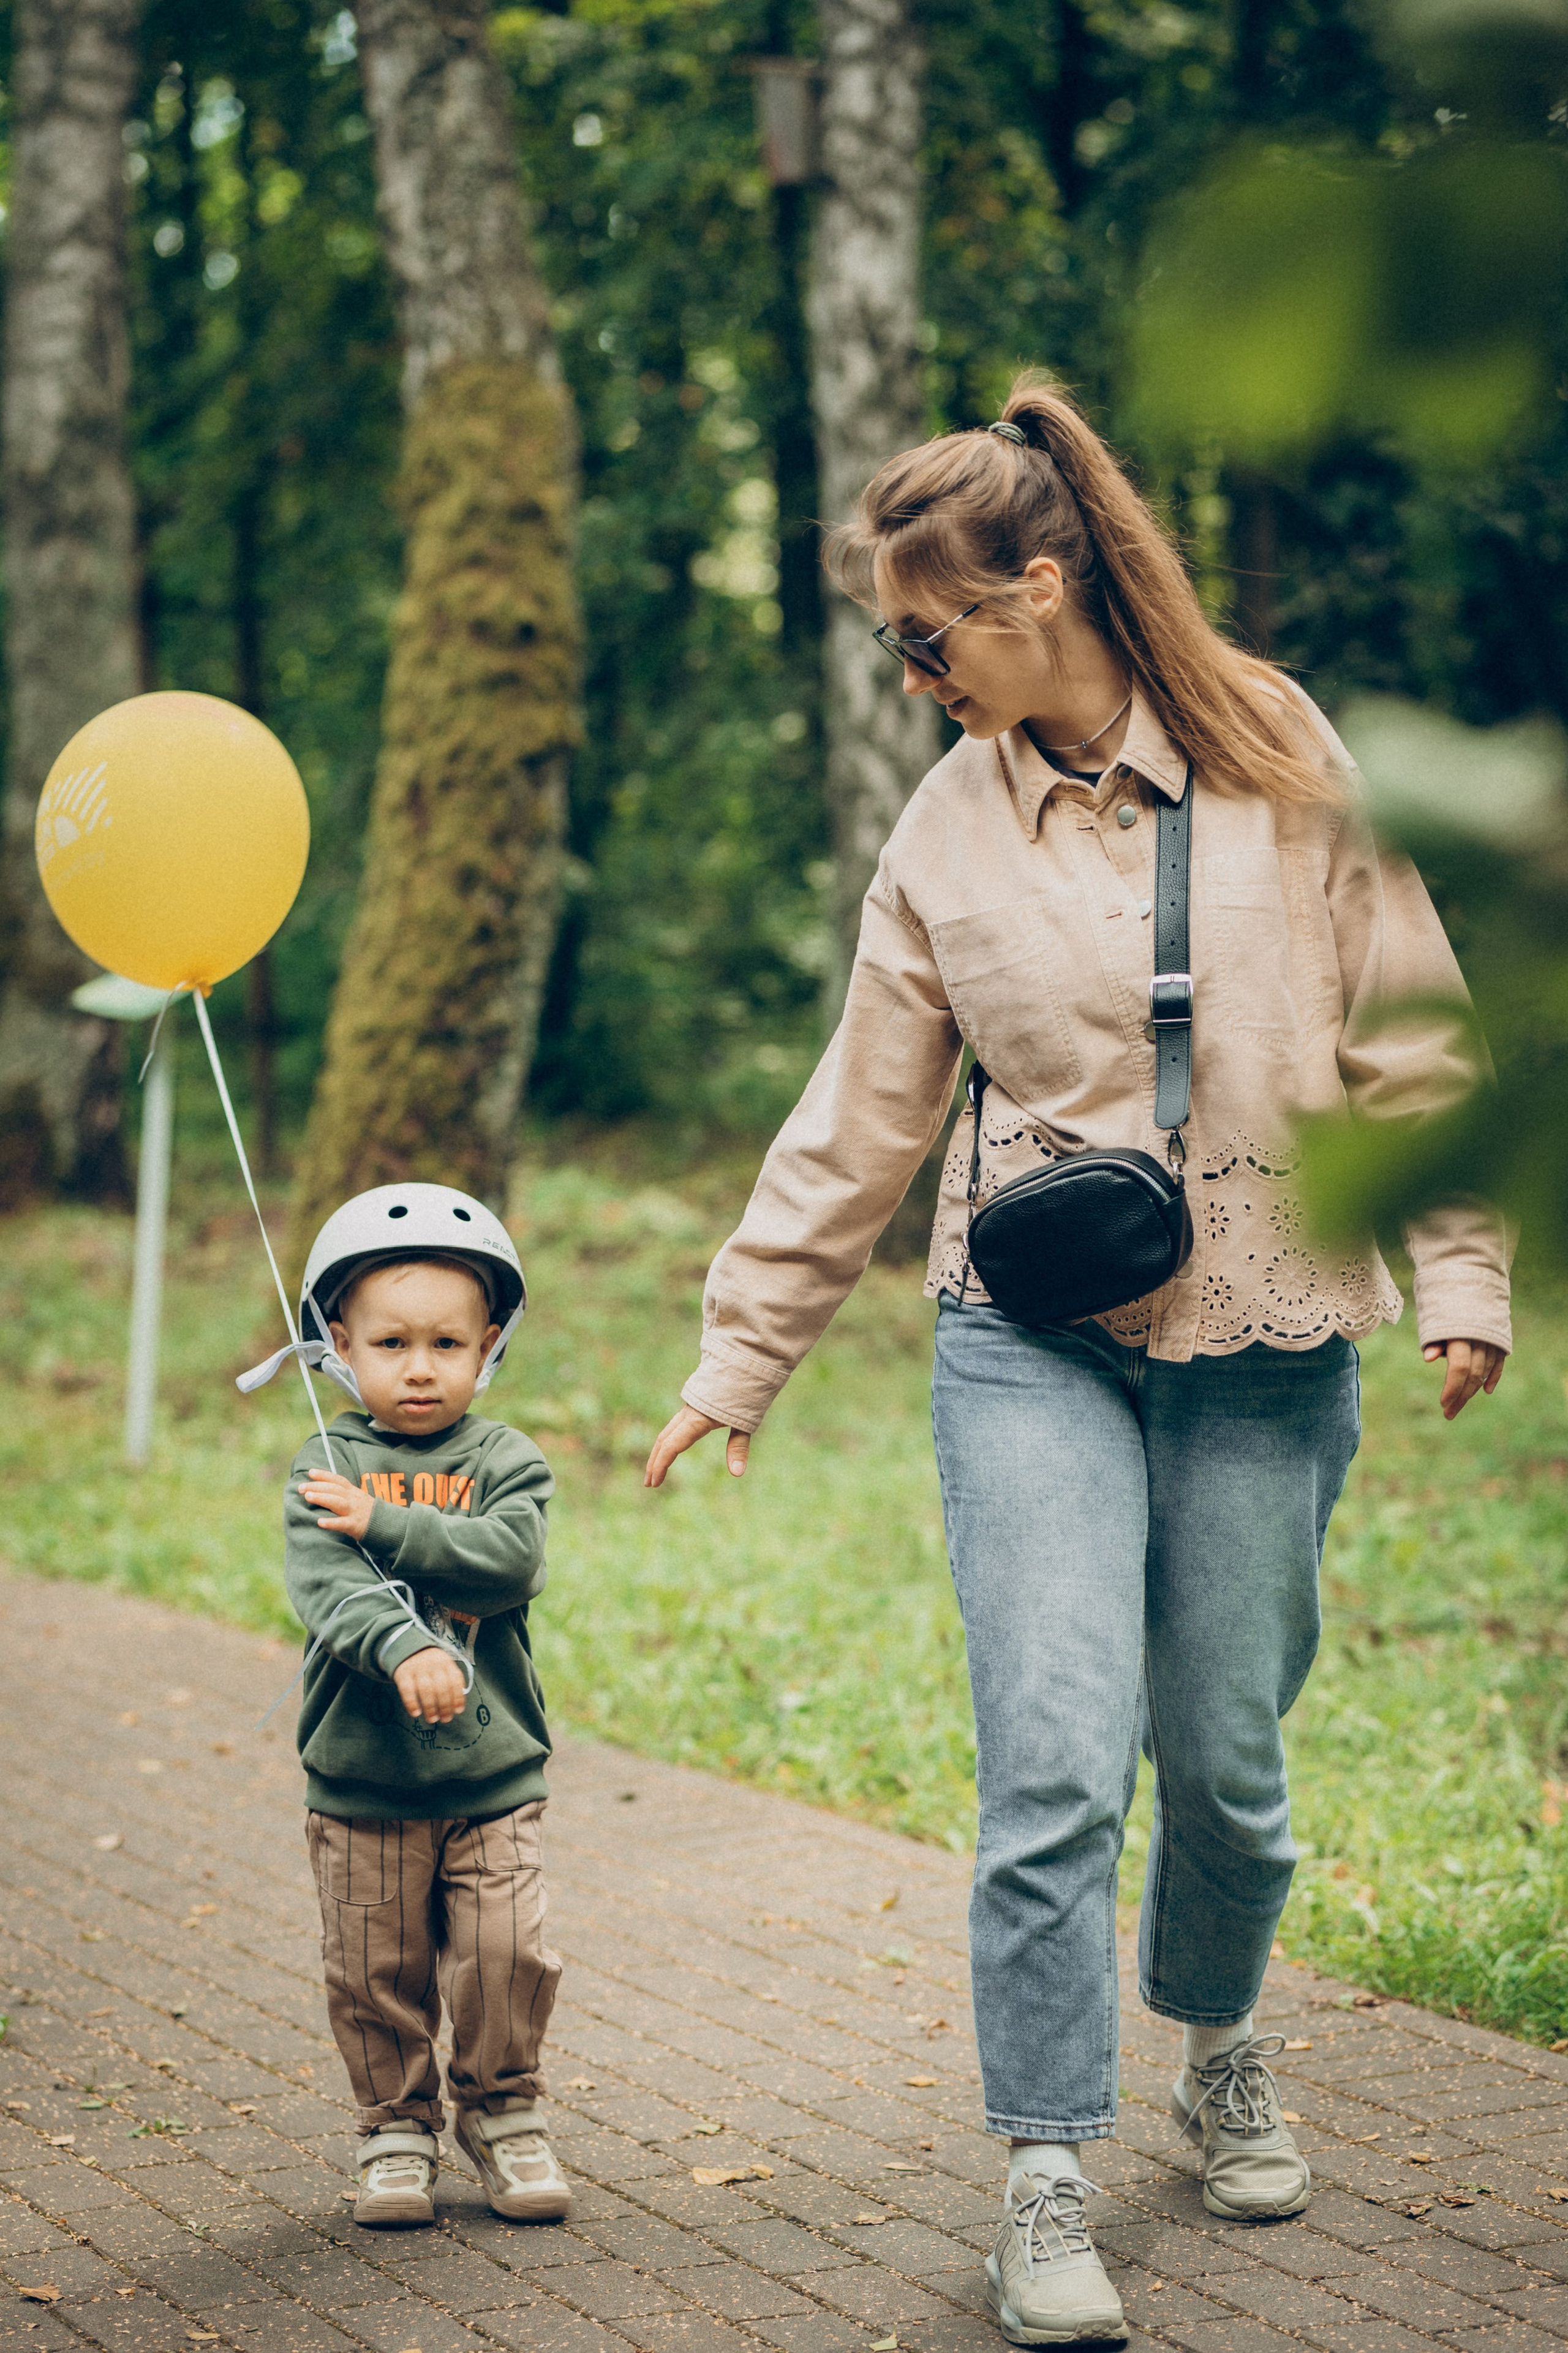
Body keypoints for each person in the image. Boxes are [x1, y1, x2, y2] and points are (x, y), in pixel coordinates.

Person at [644, 377, 1510, 2345]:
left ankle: (1215, 2043)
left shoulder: (1275, 740)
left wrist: (1463, 1266)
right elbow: (859, 1117)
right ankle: (1042, 2165)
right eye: (896, 644)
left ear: (1036, 589)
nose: (912, 676)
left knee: (1226, 1763)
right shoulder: (945, 829)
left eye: (923, 636)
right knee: (1049, 1758)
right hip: (1030, 1337)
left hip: (1271, 1325)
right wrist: (737, 1352)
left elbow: (1410, 1015)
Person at [263, 1184, 570, 2231]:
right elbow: (329, 1588)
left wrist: (384, 1523)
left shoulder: (504, 1460)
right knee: (374, 1967)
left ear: (491, 1346)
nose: (422, 1366)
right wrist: (406, 1645)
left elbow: (509, 1560)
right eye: (392, 1343)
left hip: (492, 1773)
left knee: (505, 1952)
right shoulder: (327, 1460)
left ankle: (504, 2108)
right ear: (340, 1346)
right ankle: (395, 2124)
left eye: (448, 1342)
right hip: (363, 1778)